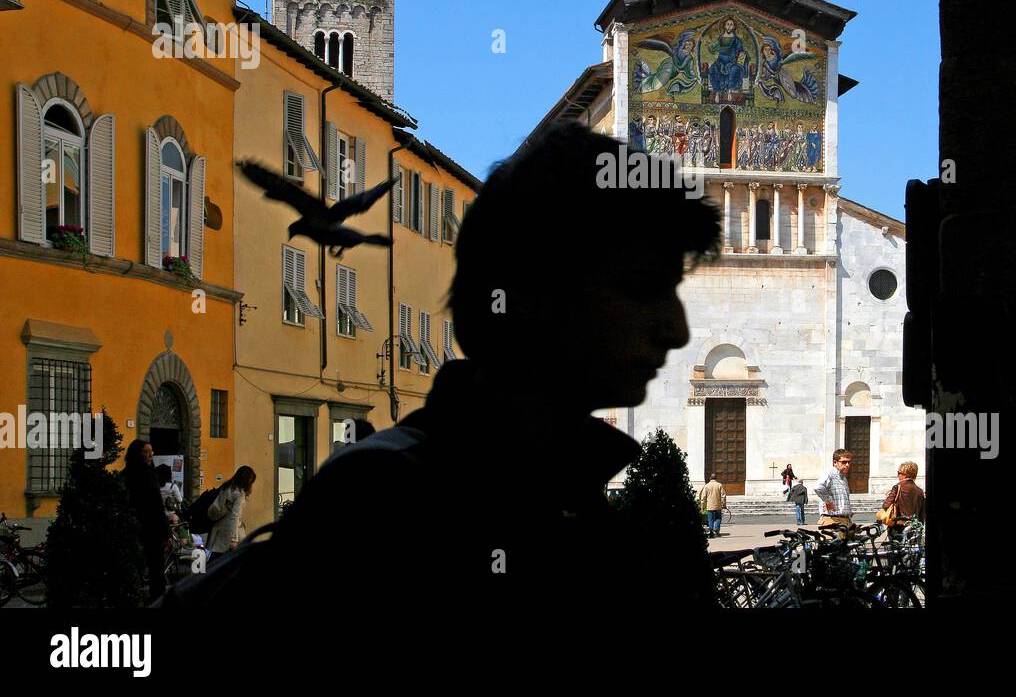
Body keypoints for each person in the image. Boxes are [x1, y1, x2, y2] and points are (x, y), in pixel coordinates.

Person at [165, 122, 722, 613]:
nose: (677, 329)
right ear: (530, 291)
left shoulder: (566, 497)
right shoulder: (386, 511)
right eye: (643, 288)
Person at [124, 439, 177, 602]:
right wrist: (167, 532)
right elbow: (156, 506)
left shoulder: (125, 474)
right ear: (138, 454)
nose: (150, 455)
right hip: (150, 529)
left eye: (151, 452)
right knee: (156, 569)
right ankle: (157, 601)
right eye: (146, 452)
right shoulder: (148, 475)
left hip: (131, 526)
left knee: (134, 567)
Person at [207, 466, 256, 560]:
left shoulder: (226, 487)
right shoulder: (239, 494)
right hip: (230, 533)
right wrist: (234, 539)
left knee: (216, 562)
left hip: (218, 530)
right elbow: (235, 516)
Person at [880, 460, 925, 542]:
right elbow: (922, 514)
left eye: (899, 473)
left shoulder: (897, 487)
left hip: (898, 526)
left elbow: (886, 505)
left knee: (896, 551)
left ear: (905, 475)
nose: (898, 475)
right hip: (914, 526)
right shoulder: (920, 491)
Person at [813, 449, 855, 532]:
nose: (847, 465)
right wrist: (829, 502)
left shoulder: (844, 478)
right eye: (844, 462)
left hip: (845, 521)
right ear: (835, 462)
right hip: (832, 521)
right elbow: (818, 487)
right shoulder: (829, 474)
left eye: (849, 462)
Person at [699, 474, 727, 538]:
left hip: (710, 506)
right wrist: (724, 504)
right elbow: (723, 496)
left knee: (710, 519)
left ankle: (711, 532)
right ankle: (716, 528)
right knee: (718, 518)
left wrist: (702, 507)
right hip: (718, 505)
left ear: (710, 478)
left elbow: (703, 497)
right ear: (716, 478)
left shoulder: (706, 486)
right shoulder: (719, 485)